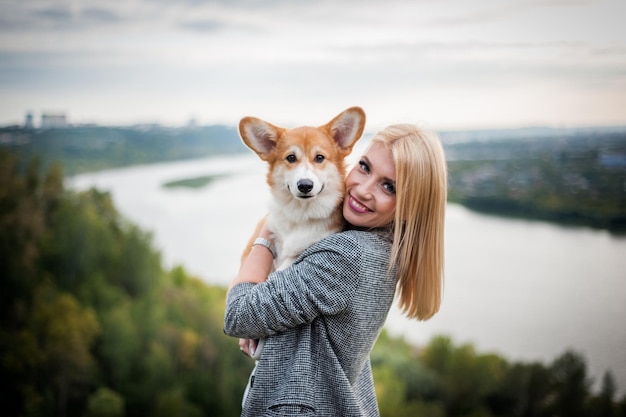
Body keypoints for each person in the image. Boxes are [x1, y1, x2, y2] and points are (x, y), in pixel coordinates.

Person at [224, 123, 447, 417]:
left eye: (388, 186)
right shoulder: (381, 246)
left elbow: (238, 315)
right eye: (364, 167)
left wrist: (267, 234)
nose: (363, 190)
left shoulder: (346, 256)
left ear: (410, 205)